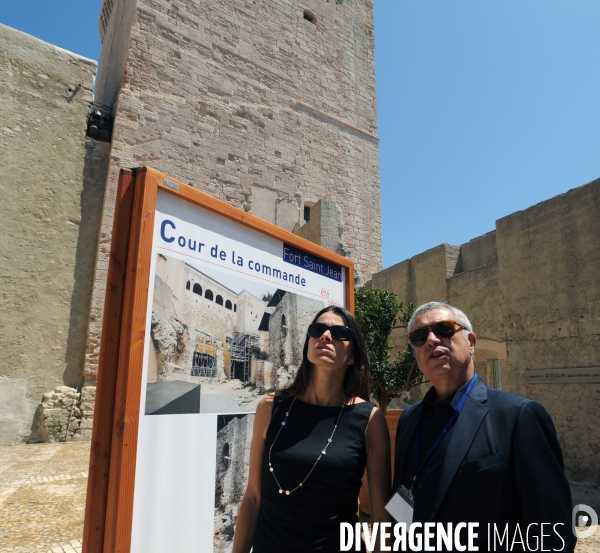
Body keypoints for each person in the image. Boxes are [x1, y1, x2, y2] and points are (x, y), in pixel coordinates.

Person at [392, 301, 575, 552]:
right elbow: (402, 496)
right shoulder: (408, 419)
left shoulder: (518, 417)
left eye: (444, 329)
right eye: (419, 336)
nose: (432, 340)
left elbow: (552, 532)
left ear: (471, 343)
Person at [233, 305, 391, 553]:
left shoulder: (370, 420)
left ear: (353, 356)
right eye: (317, 329)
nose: (325, 336)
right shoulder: (270, 408)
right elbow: (253, 497)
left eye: (339, 333)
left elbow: (381, 515)